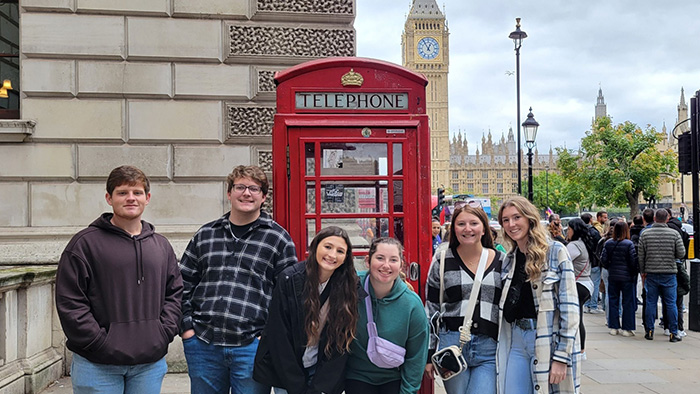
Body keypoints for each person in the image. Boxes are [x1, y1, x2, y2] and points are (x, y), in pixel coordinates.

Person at [55, 165, 183, 393]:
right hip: (97, 364)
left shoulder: (161, 246)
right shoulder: (84, 245)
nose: (131, 198)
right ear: (109, 198)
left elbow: (174, 293)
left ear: (147, 198)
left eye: (137, 192)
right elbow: (70, 302)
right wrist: (98, 342)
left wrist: (162, 333)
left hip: (149, 364)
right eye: (122, 192)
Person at [179, 165, 298, 394]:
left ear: (263, 197)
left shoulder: (278, 239)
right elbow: (182, 283)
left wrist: (268, 337)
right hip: (204, 344)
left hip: (252, 347)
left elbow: (290, 295)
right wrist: (187, 329)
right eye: (240, 187)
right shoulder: (206, 234)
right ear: (229, 193)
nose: (246, 193)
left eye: (254, 188)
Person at [254, 226, 359, 394]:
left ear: (346, 257)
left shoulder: (349, 286)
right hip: (286, 371)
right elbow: (278, 335)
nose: (332, 255)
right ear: (315, 246)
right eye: (328, 247)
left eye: (340, 251)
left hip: (321, 371)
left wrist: (320, 388)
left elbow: (341, 342)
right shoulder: (289, 279)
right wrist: (297, 387)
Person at [497, 196, 581, 394]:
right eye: (506, 220)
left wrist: (561, 357)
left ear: (529, 218)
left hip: (546, 338)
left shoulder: (555, 252)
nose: (511, 224)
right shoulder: (509, 258)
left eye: (516, 217)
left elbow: (570, 308)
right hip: (516, 340)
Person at [425, 201, 507, 394]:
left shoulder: (501, 261)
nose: (467, 229)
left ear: (484, 229)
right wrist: (428, 354)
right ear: (453, 228)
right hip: (451, 345)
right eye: (461, 224)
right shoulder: (442, 258)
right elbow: (431, 309)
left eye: (474, 223)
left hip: (489, 346)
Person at [346, 237, 429, 394]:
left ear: (401, 265)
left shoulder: (412, 304)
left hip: (394, 377)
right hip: (356, 375)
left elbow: (416, 355)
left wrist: (407, 391)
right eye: (380, 258)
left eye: (393, 260)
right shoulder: (350, 288)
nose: (386, 265)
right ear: (367, 261)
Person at [638, 208, 685, 342]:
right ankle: (673, 332)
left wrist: (643, 271)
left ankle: (650, 330)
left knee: (651, 302)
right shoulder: (674, 234)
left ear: (654, 218)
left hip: (651, 272)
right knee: (671, 303)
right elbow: (681, 253)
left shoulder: (645, 234)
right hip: (669, 272)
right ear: (667, 219)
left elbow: (641, 255)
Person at [600, 221, 638, 337]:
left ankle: (613, 326)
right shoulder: (629, 244)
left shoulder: (609, 243)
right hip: (626, 277)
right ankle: (627, 328)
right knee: (628, 302)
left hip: (613, 275)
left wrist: (610, 267)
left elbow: (604, 260)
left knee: (613, 301)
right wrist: (633, 272)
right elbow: (633, 261)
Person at [564, 219, 593, 358]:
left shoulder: (574, 245)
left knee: (575, 319)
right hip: (585, 284)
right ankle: (581, 349)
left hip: (577, 284)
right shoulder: (584, 244)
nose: (567, 232)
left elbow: (562, 261)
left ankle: (580, 350)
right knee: (578, 317)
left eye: (568, 229)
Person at [580, 213, 602, 314]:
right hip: (594, 261)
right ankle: (593, 305)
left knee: (585, 283)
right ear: (590, 219)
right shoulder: (594, 232)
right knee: (595, 283)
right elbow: (598, 245)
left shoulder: (580, 232)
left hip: (583, 262)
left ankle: (586, 304)